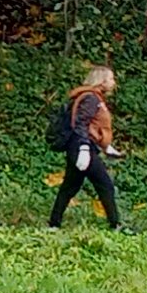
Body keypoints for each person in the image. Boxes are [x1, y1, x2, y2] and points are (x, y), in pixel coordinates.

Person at [48, 65, 124, 230]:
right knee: (104, 184)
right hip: (82, 147)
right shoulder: (91, 99)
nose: (113, 82)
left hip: (83, 147)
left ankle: (54, 223)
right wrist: (83, 148)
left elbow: (95, 126)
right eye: (110, 78)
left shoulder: (95, 98)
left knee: (70, 186)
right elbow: (81, 123)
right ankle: (115, 224)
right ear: (101, 80)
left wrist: (106, 146)